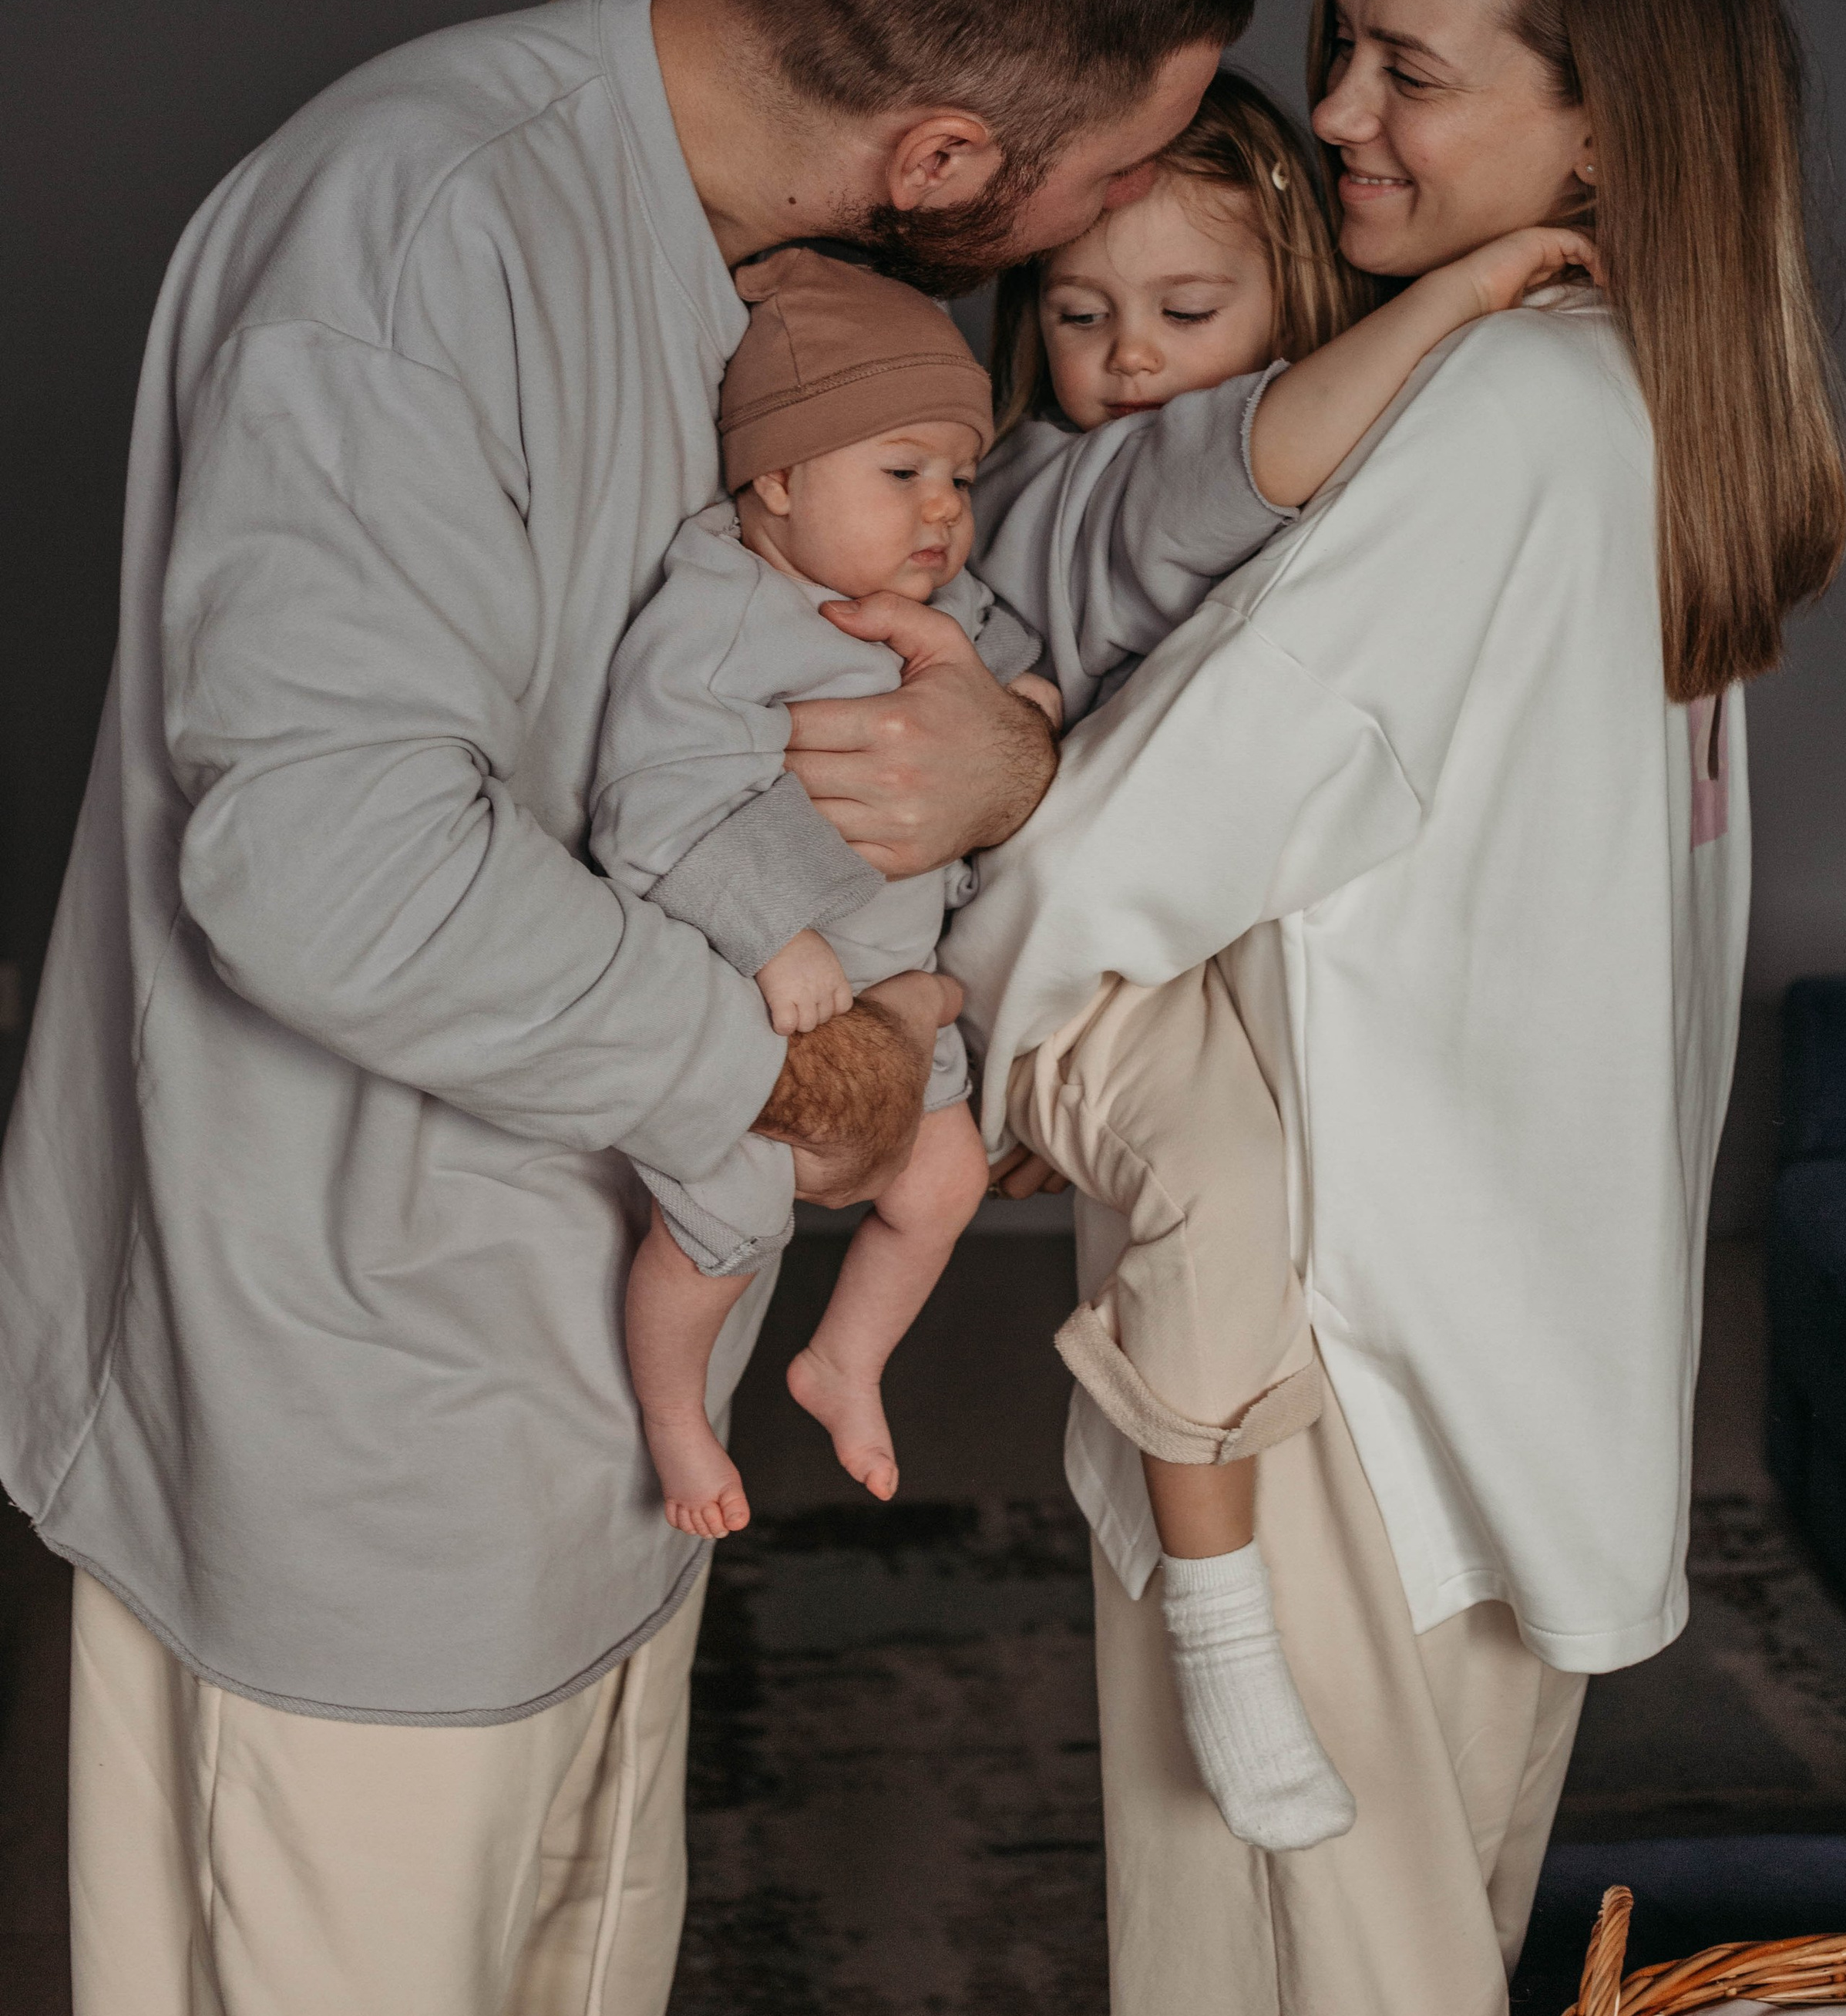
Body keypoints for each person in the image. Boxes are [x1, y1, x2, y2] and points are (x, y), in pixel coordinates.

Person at [0, 0, 1261, 2016]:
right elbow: (327, 864)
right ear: (952, 161)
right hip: (362, 1407)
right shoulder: (418, 230)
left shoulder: (766, 270)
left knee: (571, 2015)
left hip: (597, 1381)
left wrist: (1016, 757)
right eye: (1117, 167)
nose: (1136, 215)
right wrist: (827, 1103)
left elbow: (776, 689)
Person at [950, 0, 1846, 2016]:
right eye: (1342, 52)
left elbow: (1162, 823)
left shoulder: (1499, 417)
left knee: (1282, 2007)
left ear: (1600, 121)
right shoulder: (1655, 401)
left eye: (1404, 70)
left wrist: (972, 1041)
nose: (1333, 111)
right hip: (1527, 1325)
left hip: (1334, 1341)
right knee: (1404, 1969)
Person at [597, 150, 1585, 1553]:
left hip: (965, 953)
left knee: (950, 1191)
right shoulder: (1068, 488)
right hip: (920, 949)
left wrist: (1027, 719)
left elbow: (1020, 672)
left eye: (1188, 311)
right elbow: (1235, 460)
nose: (1130, 356)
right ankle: (1203, 1589)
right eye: (1079, 317)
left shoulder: (956, 532)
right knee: (1194, 1204)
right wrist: (1463, 291)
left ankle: (847, 1361)